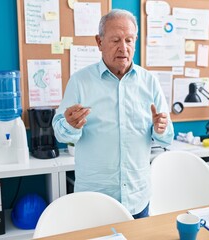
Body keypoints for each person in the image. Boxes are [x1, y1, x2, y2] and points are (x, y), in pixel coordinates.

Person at [52, 9, 174, 219]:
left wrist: (160, 128)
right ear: (99, 42)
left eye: (129, 40)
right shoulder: (80, 81)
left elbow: (167, 136)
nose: (123, 48)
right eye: (116, 40)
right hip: (94, 201)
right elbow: (61, 134)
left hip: (138, 199)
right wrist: (70, 125)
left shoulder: (149, 82)